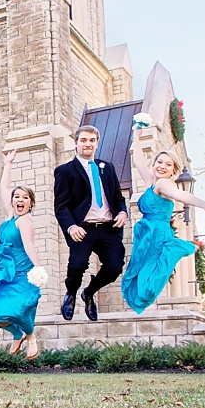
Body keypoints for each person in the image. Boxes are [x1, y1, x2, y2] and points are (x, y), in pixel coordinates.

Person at [121, 127, 205, 313]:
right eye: (159, 162)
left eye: (168, 165)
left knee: (145, 287)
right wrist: (136, 136)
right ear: (155, 164)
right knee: (139, 277)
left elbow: (180, 195)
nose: (162, 166)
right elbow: (139, 162)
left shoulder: (163, 184)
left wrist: (204, 204)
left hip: (157, 233)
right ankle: (172, 250)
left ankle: (173, 249)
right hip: (146, 233)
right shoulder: (152, 182)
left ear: (173, 170)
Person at [0, 150, 45, 359]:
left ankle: (30, 337)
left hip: (22, 271)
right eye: (17, 197)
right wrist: (8, 164)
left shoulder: (24, 221)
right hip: (5, 271)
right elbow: (4, 187)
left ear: (31, 203)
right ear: (13, 202)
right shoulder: (11, 216)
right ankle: (17, 334)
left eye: (25, 197)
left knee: (18, 309)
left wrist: (38, 269)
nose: (20, 200)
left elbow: (29, 246)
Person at [54, 124, 128, 322]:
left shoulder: (107, 167)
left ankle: (88, 293)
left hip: (108, 228)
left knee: (114, 267)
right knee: (77, 266)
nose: (88, 144)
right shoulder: (65, 171)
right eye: (84, 140)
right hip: (83, 229)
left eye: (92, 140)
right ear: (76, 143)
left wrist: (122, 212)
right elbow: (61, 206)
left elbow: (118, 197)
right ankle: (70, 293)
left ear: (97, 143)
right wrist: (71, 227)